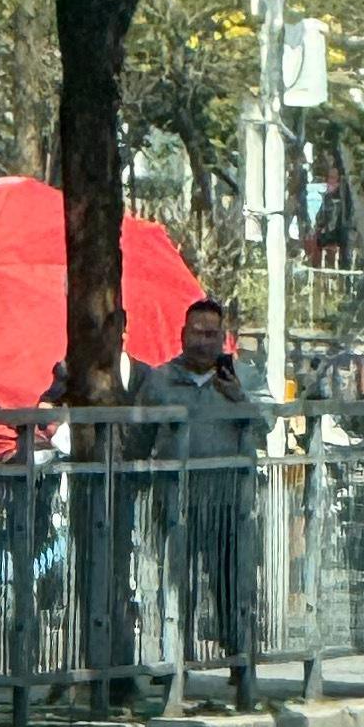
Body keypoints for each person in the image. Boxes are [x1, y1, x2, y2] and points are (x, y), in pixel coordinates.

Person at [146, 298, 268, 702]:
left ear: (223, 337)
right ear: (182, 335)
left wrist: (239, 400)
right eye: (196, 332)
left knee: (233, 584)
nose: (204, 341)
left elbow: (266, 428)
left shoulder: (244, 377)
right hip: (176, 501)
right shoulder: (160, 380)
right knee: (174, 585)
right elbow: (141, 438)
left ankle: (239, 662)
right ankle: (172, 662)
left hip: (230, 502)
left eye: (212, 333)